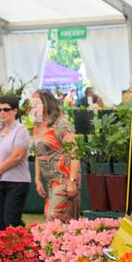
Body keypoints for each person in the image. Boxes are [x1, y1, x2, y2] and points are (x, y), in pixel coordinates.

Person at [29, 89, 79, 222]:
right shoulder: (36, 125)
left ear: (47, 103)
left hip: (64, 179)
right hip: (50, 182)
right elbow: (39, 154)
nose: (33, 105)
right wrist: (37, 179)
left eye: (37, 102)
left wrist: (72, 181)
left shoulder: (61, 124)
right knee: (59, 223)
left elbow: (75, 153)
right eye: (32, 102)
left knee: (53, 220)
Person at [0, 95, 30, 229]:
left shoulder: (20, 130)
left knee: (11, 221)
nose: (2, 113)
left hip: (16, 182)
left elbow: (17, 156)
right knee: (0, 222)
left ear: (15, 111)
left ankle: (23, 245)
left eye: (6, 109)